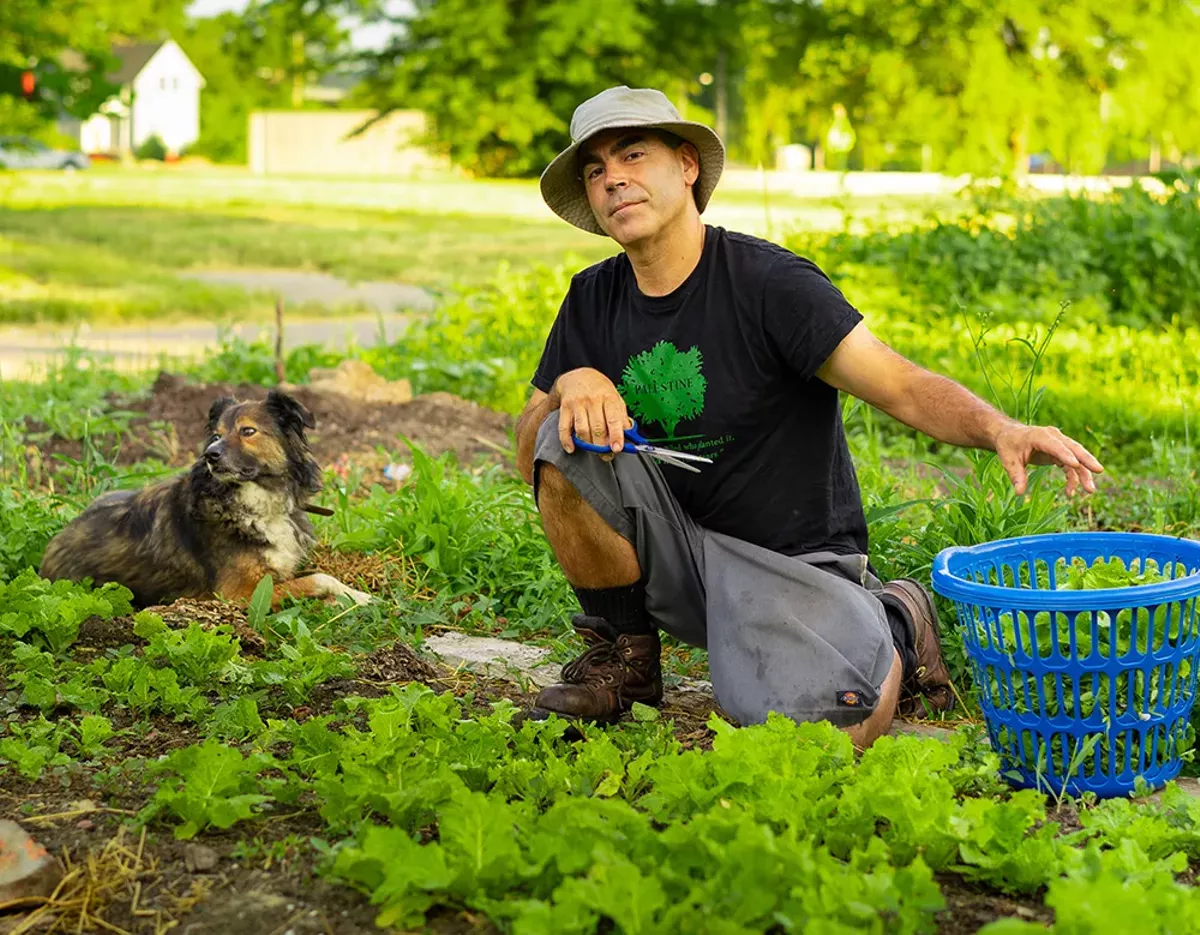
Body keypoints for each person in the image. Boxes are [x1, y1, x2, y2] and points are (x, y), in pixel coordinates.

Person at [514, 86, 1103, 748]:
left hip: (792, 563)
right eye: (594, 169)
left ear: (686, 166)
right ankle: (625, 660)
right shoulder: (593, 298)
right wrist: (572, 382)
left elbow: (899, 384)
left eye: (632, 153)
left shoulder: (771, 285)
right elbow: (534, 451)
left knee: (821, 737)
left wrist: (1003, 428)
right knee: (558, 443)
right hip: (675, 558)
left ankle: (896, 619)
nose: (613, 177)